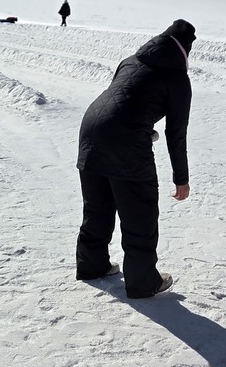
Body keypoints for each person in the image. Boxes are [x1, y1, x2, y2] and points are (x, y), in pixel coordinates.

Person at [75, 18, 196, 298]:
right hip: (125, 143)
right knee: (139, 213)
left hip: (90, 131)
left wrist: (140, 130)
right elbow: (176, 133)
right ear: (185, 50)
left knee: (98, 206)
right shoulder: (177, 79)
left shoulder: (130, 60)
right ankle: (143, 282)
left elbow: (125, 102)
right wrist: (182, 179)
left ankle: (92, 265)